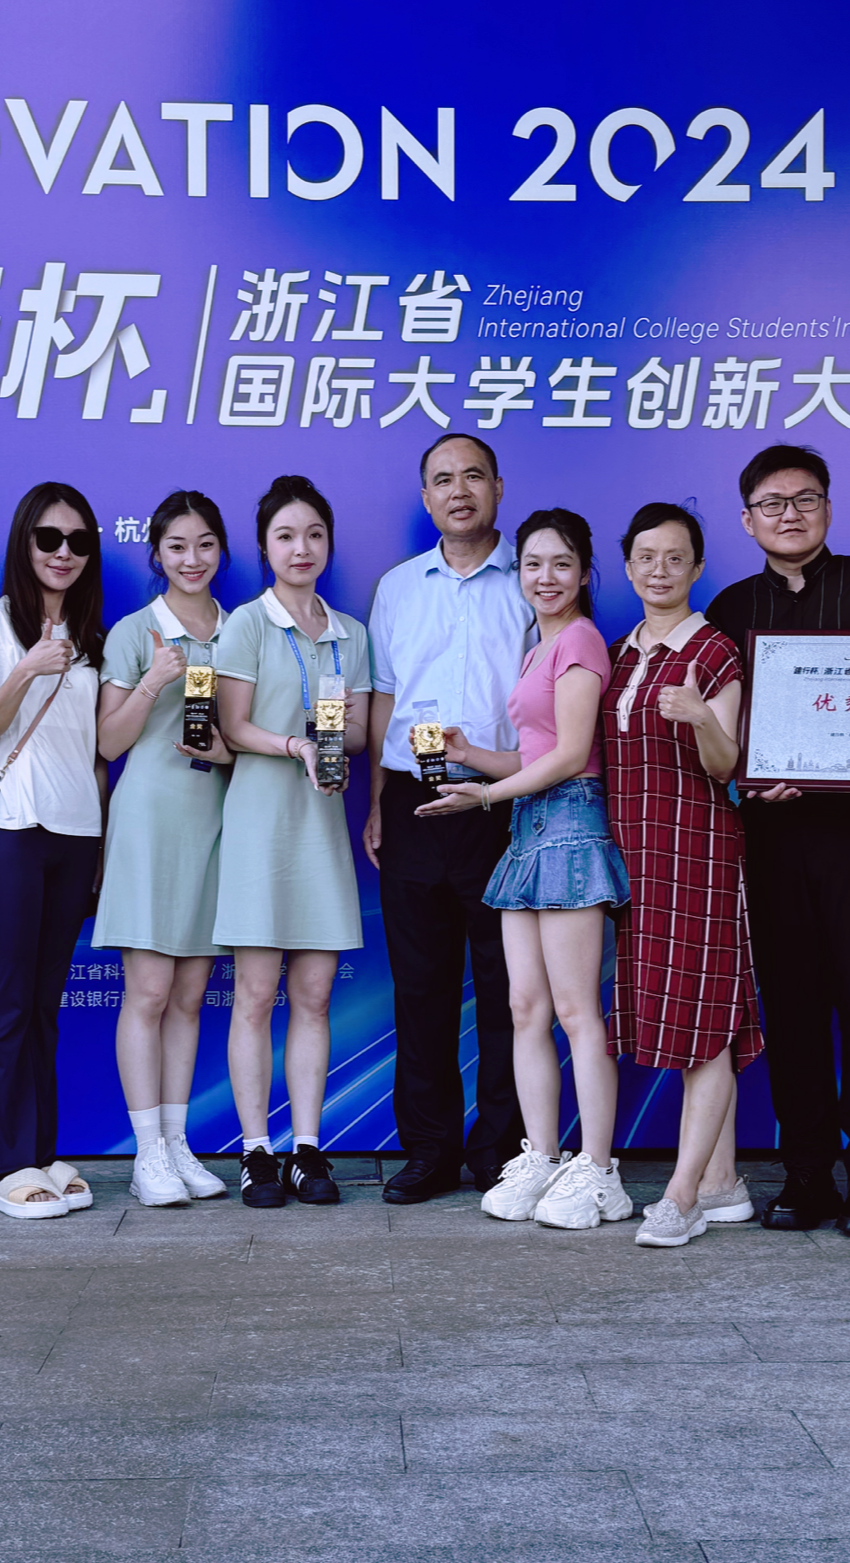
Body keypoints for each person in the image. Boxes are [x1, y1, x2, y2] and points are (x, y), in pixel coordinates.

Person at [704, 443, 850, 1240]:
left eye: (804, 499)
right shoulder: (729, 608)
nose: (789, 514)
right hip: (775, 836)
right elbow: (721, 732)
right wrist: (747, 778)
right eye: (772, 503)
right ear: (747, 520)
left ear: (829, 507)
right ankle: (806, 1175)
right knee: (792, 1010)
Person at [418, 509, 634, 1231]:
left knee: (576, 1013)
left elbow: (571, 756)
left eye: (561, 564)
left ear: (584, 573)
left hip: (569, 826)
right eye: (533, 564)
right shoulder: (537, 647)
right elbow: (531, 756)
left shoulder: (580, 640)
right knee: (525, 1010)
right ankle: (541, 1156)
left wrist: (485, 795)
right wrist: (470, 755)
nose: (546, 577)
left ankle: (599, 1172)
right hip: (528, 827)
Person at [364, 435, 534, 1204]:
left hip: (504, 800)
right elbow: (385, 699)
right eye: (442, 480)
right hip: (413, 801)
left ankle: (500, 1149)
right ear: (426, 497)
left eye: (472, 476)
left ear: (498, 486)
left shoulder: (532, 578)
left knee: (508, 989)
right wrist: (377, 800)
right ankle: (429, 1151)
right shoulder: (398, 588)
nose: (458, 491)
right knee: (421, 989)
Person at [602, 503, 762, 1249]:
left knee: (707, 1023)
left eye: (675, 558)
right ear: (628, 567)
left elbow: (728, 766)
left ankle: (681, 1196)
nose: (659, 570)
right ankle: (723, 1182)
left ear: (698, 567)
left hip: (698, 854)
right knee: (681, 1019)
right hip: (632, 860)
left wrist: (700, 716)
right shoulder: (619, 652)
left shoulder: (715, 651)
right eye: (646, 557)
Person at [212, 475, 371, 1209]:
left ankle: (308, 1148)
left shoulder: (350, 633)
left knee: (313, 995)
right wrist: (295, 745)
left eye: (313, 534)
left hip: (320, 823)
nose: (300, 548)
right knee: (254, 994)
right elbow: (231, 726)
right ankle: (256, 1152)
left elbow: (360, 731)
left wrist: (332, 741)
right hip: (259, 822)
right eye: (285, 536)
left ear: (328, 543)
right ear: (265, 548)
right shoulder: (247, 624)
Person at [0, 481, 106, 1222]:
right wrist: (27, 667)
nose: (63, 552)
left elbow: (96, 750)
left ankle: (39, 1155)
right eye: (49, 538)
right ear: (25, 543)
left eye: (78, 541)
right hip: (15, 828)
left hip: (77, 833)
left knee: (45, 1005)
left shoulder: (91, 634)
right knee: (11, 999)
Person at [94, 489, 235, 1207]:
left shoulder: (242, 630)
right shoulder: (134, 631)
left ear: (222, 550)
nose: (192, 559)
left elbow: (250, 734)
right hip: (149, 819)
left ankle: (177, 1143)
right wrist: (154, 679)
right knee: (148, 992)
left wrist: (226, 750)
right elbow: (107, 742)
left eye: (205, 544)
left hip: (215, 821)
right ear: (156, 554)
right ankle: (147, 1151)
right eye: (177, 547)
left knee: (188, 996)